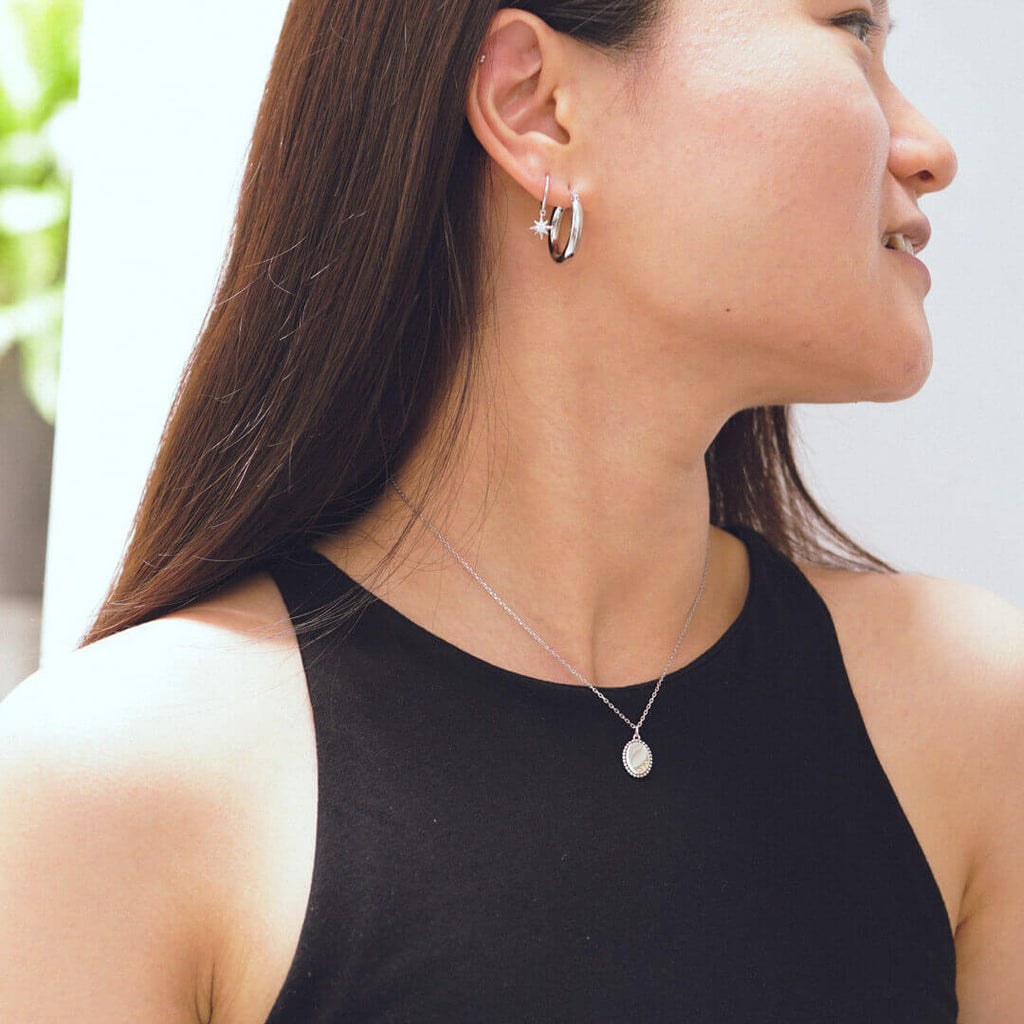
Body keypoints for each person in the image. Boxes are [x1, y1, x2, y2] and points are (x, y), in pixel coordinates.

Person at [2, 0, 1022, 1020]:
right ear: (534, 105)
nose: (930, 149)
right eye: (851, 28)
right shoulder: (118, 792)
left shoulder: (976, 724)